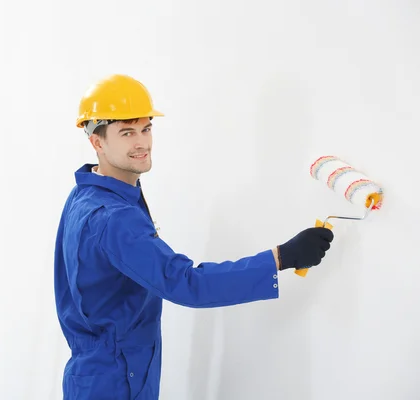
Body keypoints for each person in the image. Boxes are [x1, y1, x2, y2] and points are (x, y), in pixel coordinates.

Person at [53, 74, 334, 399]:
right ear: (97, 141)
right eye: (127, 132)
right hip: (116, 381)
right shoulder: (115, 218)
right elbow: (187, 283)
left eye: (146, 128)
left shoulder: (85, 193)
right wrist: (281, 257)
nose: (141, 142)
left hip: (94, 375)